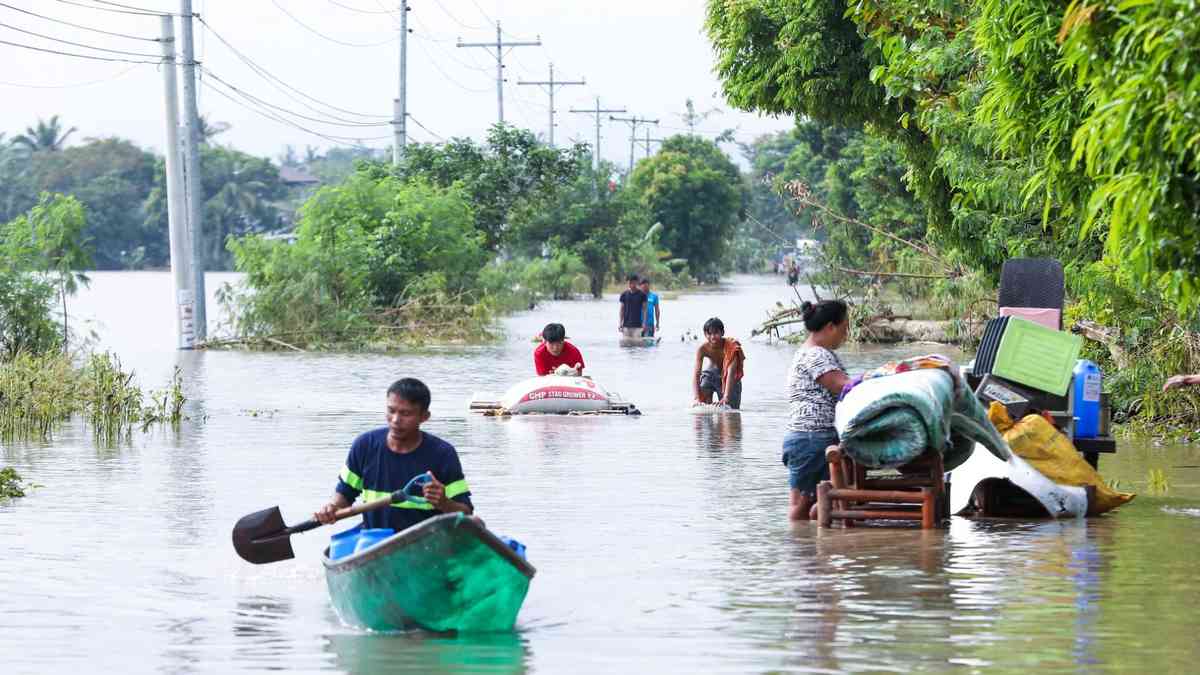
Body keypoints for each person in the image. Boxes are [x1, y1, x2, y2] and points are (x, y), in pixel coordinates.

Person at [314, 378, 472, 532]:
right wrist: (332, 507)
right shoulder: (364, 445)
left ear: (424, 417)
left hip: (427, 544)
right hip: (375, 542)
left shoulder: (442, 454)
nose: (395, 420)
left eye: (406, 414)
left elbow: (466, 513)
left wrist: (443, 502)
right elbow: (345, 494)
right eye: (391, 411)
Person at [782, 300, 851, 521]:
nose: (846, 334)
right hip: (811, 439)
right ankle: (798, 551)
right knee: (800, 509)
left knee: (815, 505)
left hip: (812, 439)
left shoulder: (816, 352)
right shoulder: (815, 355)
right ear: (830, 327)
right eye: (844, 328)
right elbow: (843, 385)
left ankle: (812, 549)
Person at [691, 317, 746, 409]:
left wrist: (726, 397)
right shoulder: (702, 349)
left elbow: (731, 373)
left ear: (722, 333)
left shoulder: (731, 347)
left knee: (730, 410)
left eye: (716, 333)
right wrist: (696, 398)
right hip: (711, 376)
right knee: (702, 405)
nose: (713, 337)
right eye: (709, 333)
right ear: (705, 334)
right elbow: (696, 374)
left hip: (730, 379)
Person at [618, 274, 647, 339]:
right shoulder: (624, 294)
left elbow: (644, 310)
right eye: (630, 283)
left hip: (638, 326)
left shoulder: (642, 295)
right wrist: (620, 323)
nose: (631, 284)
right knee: (625, 345)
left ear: (636, 282)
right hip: (626, 325)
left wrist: (644, 323)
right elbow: (621, 309)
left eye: (633, 283)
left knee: (637, 345)